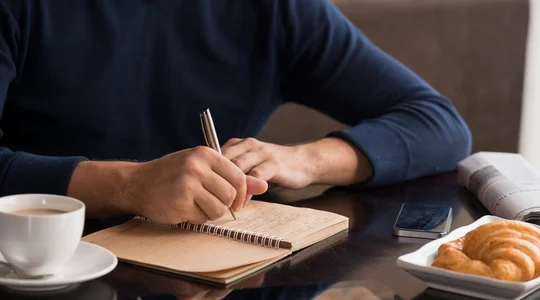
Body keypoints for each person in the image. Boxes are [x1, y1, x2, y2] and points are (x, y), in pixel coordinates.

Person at [0, 0, 471, 226]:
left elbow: (439, 124)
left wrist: (303, 160)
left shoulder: (275, 9)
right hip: (37, 282)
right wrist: (134, 186)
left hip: (211, 292)